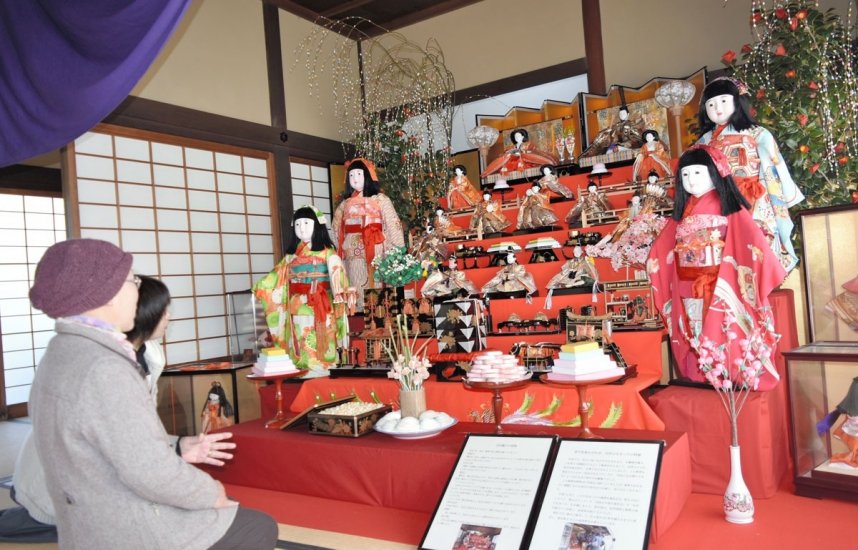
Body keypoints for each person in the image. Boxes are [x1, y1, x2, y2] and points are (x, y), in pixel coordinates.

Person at [26, 238, 277, 549]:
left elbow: (113, 442)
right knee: (256, 526)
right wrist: (212, 493)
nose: (136, 290)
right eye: (132, 280)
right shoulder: (103, 368)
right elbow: (150, 473)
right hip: (127, 527)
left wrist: (178, 446)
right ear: (107, 295)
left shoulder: (60, 352)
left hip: (86, 522)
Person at [647, 145, 785, 391]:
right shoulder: (683, 212)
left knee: (723, 330)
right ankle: (701, 375)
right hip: (688, 284)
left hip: (720, 280)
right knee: (694, 330)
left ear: (715, 172)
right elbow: (663, 248)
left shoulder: (729, 207)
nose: (690, 180)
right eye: (685, 175)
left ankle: (734, 374)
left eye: (697, 173)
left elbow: (752, 241)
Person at [696, 76, 805, 272]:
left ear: (737, 101)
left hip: (754, 195)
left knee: (757, 243)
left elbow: (774, 164)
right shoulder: (703, 141)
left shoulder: (758, 133)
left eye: (723, 101)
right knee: (721, 249)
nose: (717, 108)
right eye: (710, 104)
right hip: (718, 200)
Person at [254, 205, 354, 374]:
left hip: (321, 304)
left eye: (306, 223)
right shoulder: (291, 257)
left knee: (322, 337)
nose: (302, 228)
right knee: (299, 338)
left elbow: (338, 277)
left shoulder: (328, 254)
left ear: (317, 226)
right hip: (296, 305)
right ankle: (302, 369)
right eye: (298, 224)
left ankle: (324, 368)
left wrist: (340, 292)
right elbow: (275, 278)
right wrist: (261, 288)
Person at [331, 158, 405, 306]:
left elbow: (393, 224)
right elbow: (336, 229)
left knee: (377, 282)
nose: (355, 179)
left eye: (358, 174)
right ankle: (359, 311)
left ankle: (380, 315)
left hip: (377, 246)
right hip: (353, 250)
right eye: (351, 175)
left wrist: (397, 248)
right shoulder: (344, 204)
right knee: (356, 282)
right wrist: (342, 248)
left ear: (368, 175)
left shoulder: (381, 200)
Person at [480, 128, 558, 177]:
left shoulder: (529, 144)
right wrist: (511, 154)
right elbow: (506, 153)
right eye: (515, 136)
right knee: (505, 157)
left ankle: (550, 163)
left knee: (523, 155)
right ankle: (487, 172)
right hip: (513, 163)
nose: (516, 138)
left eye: (518, 136)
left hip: (526, 161)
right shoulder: (511, 147)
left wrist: (521, 153)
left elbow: (534, 152)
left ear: (523, 137)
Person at [580, 104, 646, 158]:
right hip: (616, 146)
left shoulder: (631, 125)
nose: (622, 115)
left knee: (616, 150)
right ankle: (590, 151)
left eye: (623, 114)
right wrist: (607, 134)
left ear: (628, 115)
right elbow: (613, 138)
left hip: (627, 147)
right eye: (620, 114)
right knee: (606, 147)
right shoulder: (616, 125)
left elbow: (637, 139)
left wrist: (623, 145)